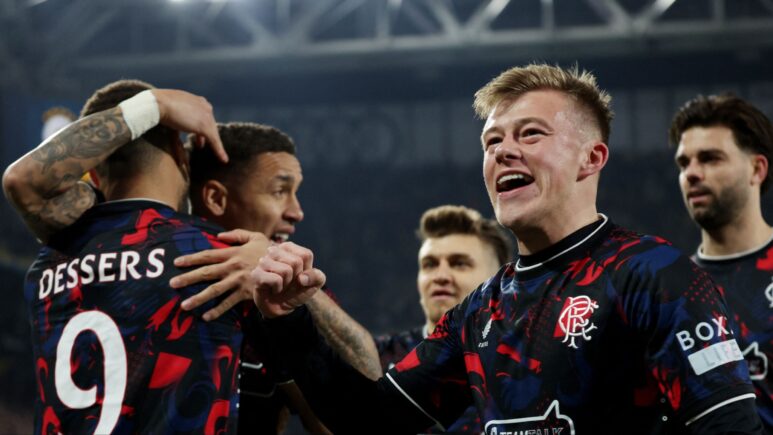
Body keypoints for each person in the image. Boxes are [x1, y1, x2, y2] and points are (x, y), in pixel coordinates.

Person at [248, 64, 762, 434]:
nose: (504, 151)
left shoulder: (656, 275)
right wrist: (289, 321)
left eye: (530, 134)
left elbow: (731, 425)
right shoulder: (479, 310)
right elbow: (370, 419)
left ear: (591, 158)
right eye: (492, 142)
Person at [1, 79, 253, 433]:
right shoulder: (225, 259)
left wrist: (155, 105)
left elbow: (24, 182)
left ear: (92, 174)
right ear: (179, 151)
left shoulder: (51, 260)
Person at [178, 122, 381, 434]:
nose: (296, 212)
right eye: (279, 191)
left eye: (294, 192)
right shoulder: (162, 276)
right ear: (216, 199)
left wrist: (298, 295)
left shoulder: (283, 297)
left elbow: (363, 412)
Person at [670, 93, 773, 432]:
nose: (692, 173)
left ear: (757, 169)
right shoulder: (671, 290)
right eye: (684, 163)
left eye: (710, 158)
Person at [375, 205, 512, 433]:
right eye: (429, 264)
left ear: (498, 280)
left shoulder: (527, 361)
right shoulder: (378, 356)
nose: (440, 276)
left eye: (459, 263)